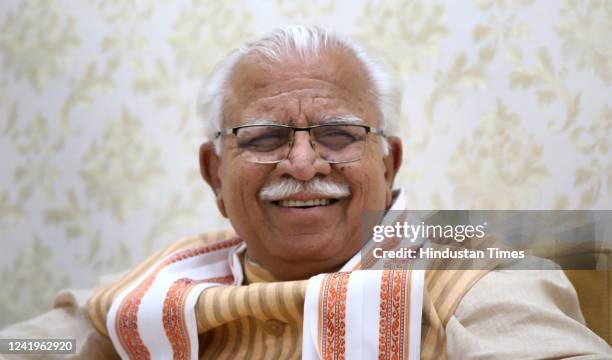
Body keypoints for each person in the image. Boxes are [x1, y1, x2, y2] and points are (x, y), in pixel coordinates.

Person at [1, 25, 610, 360]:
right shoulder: (171, 280)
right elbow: (38, 345)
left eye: (338, 133)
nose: (300, 162)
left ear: (389, 162)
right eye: (263, 136)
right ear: (215, 173)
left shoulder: (473, 275)